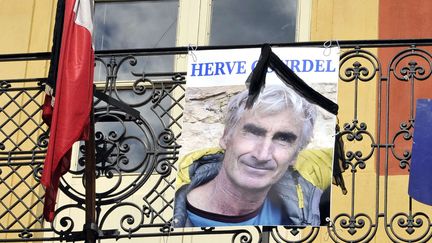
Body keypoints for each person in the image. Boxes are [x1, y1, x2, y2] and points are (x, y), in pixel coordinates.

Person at [173, 85, 325, 227]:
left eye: (283, 139)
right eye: (253, 132)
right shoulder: (166, 209)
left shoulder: (315, 210)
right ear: (226, 136)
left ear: (295, 155)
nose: (262, 155)